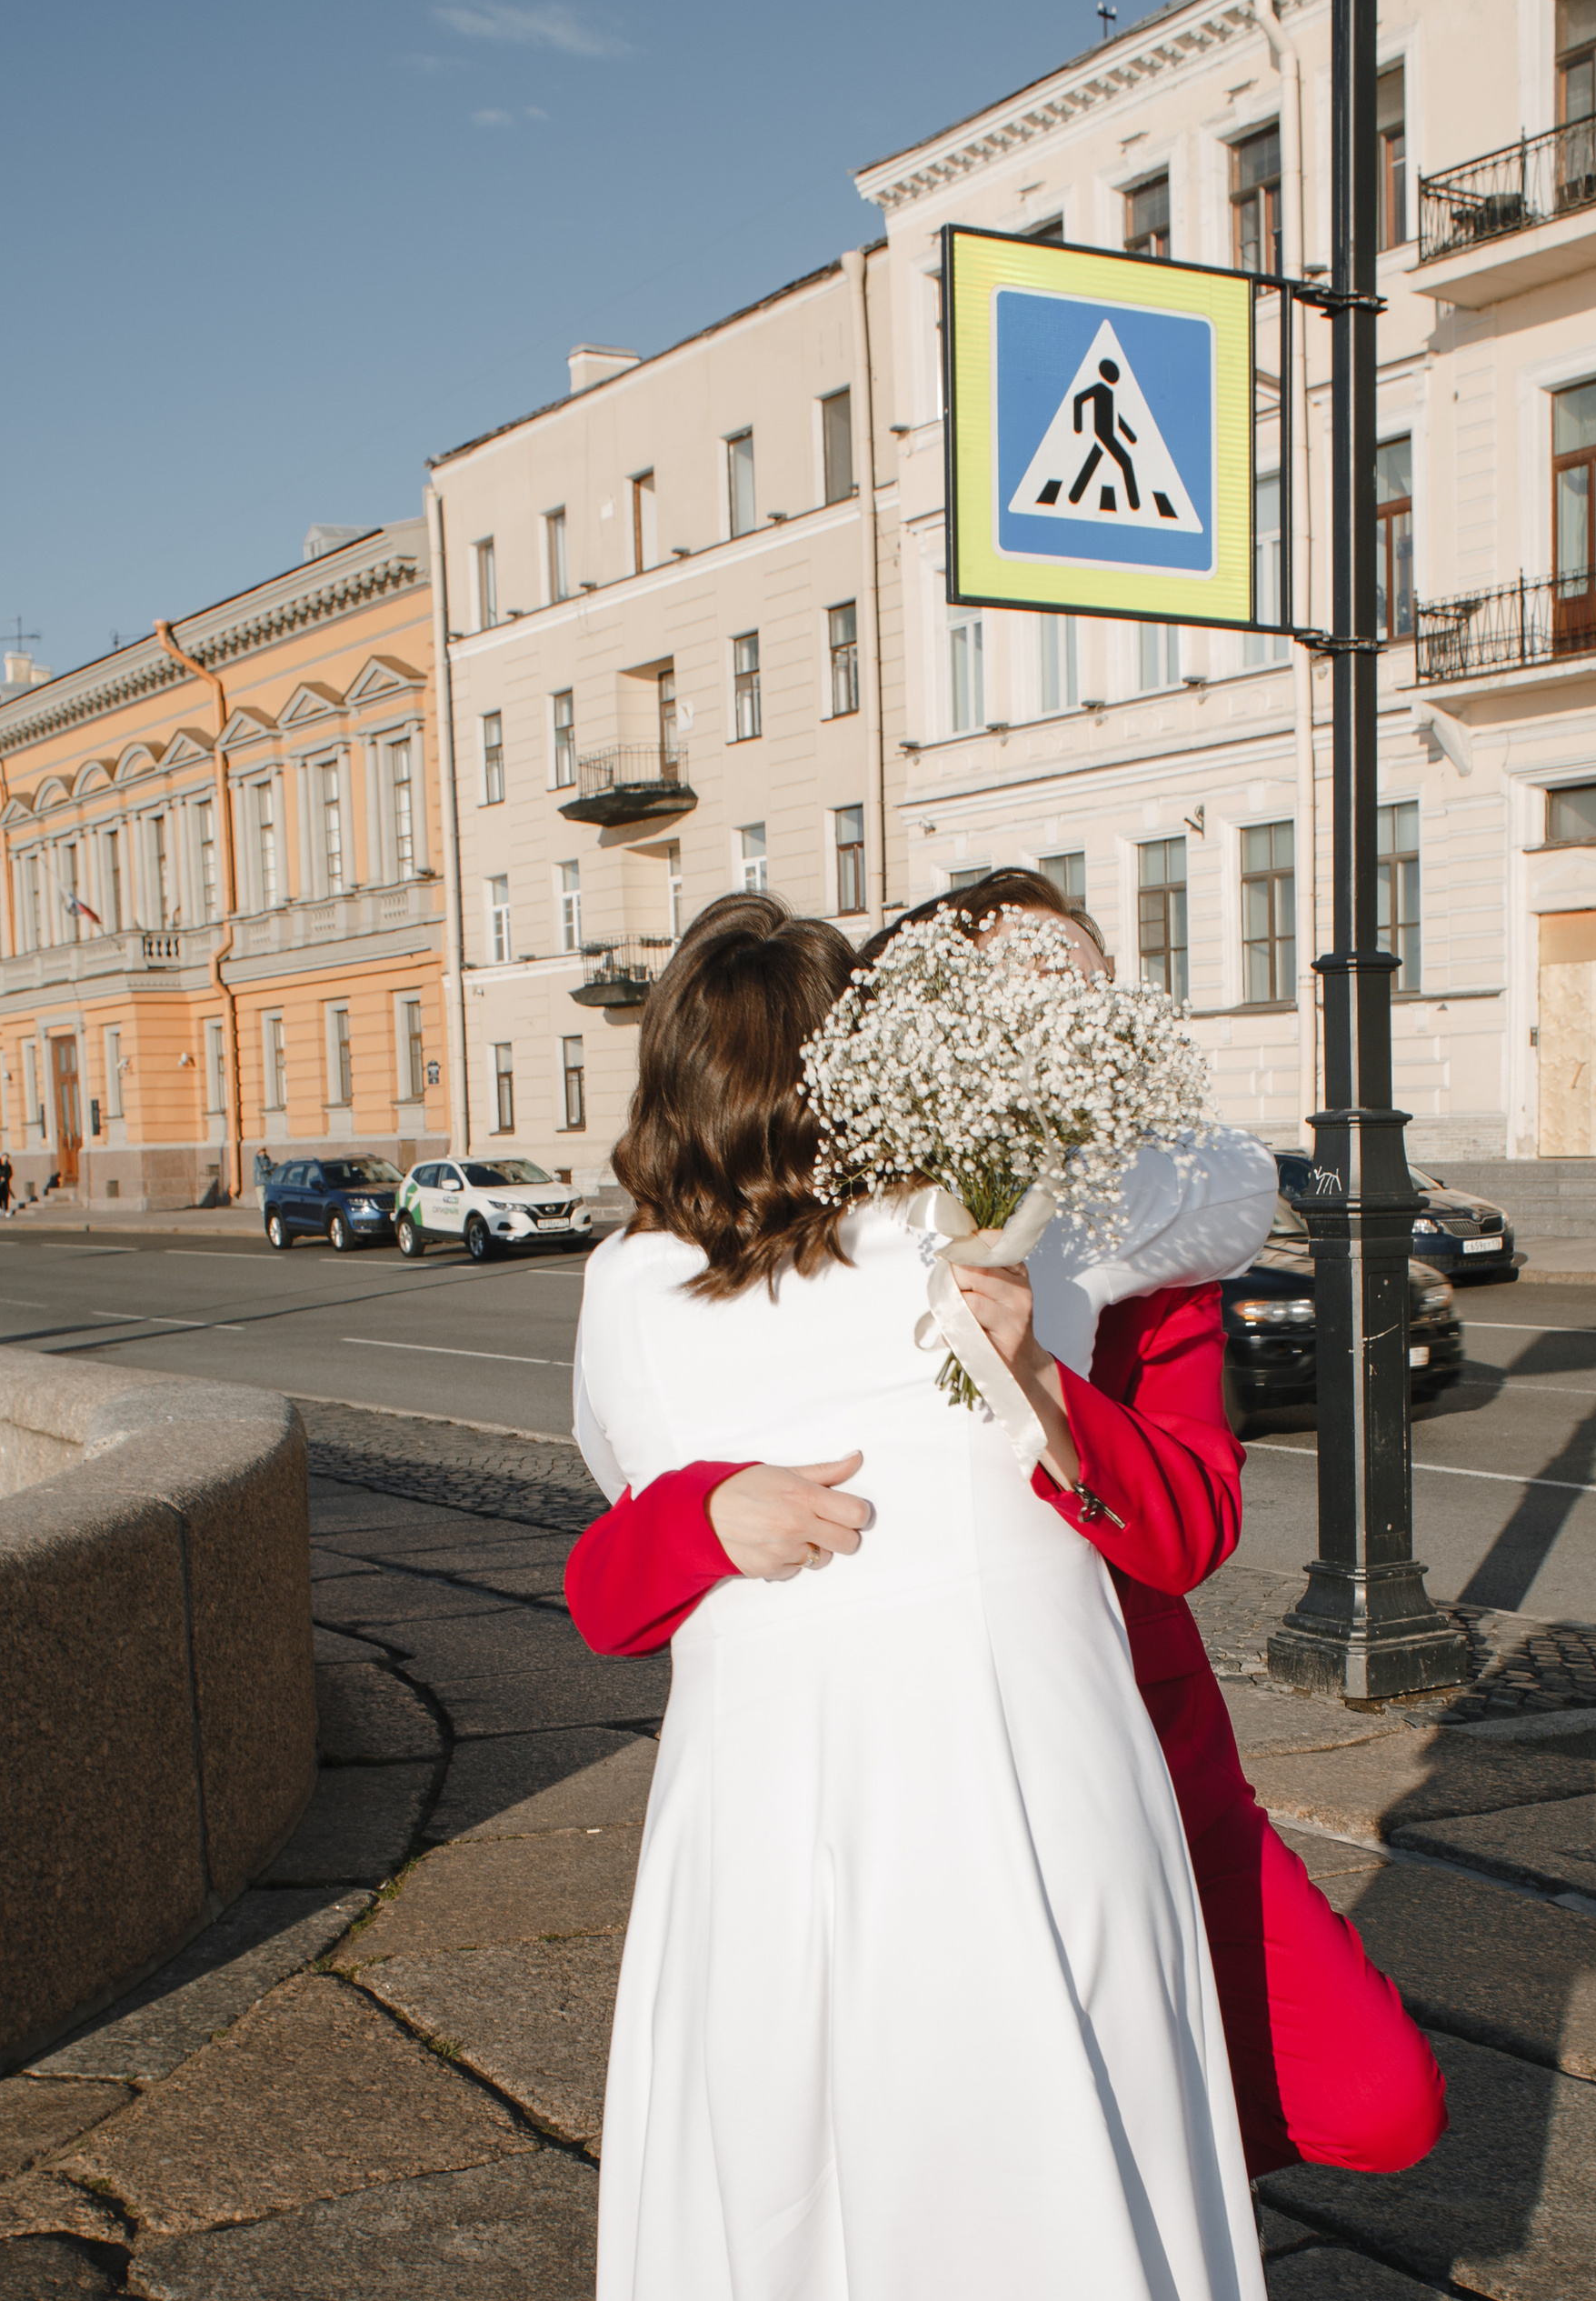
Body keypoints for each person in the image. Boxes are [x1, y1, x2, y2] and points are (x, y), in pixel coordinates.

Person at [561, 894, 1307, 2301]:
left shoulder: (627, 1294)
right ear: (888, 1070)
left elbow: (607, 1552)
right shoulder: (1024, 1236)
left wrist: (697, 1517)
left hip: (759, 1900)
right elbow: (1230, 1192)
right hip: (1004, 1872)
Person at [565, 870, 1445, 2190]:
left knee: (1373, 2105)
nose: (1066, 1022)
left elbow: (1189, 1528)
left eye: (1089, 993)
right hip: (910, 1773)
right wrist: (705, 1511)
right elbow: (615, 1560)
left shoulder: (1132, 1251)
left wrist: (1040, 1380)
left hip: (1146, 1746)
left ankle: (1170, 2177)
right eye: (1028, 993)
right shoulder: (792, 1260)